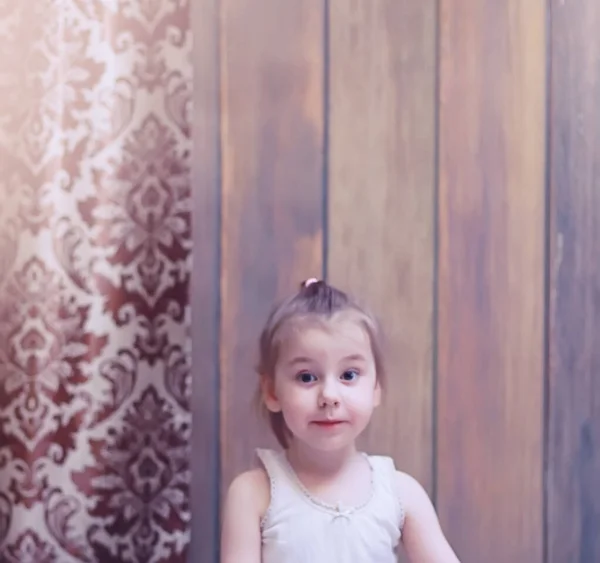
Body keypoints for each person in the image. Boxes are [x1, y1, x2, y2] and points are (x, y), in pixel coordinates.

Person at [220, 278, 460, 562]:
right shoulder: (254, 495)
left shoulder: (400, 494)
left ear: (375, 388)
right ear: (272, 391)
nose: (329, 396)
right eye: (306, 377)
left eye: (349, 375)